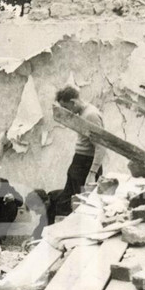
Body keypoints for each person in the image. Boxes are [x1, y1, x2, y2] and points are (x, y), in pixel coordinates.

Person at [51, 86, 106, 217]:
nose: (68, 112)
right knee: (66, 203)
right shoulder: (83, 113)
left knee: (81, 206)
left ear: (73, 102)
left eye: (67, 107)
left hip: (85, 165)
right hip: (79, 163)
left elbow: (101, 146)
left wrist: (92, 173)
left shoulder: (91, 115)